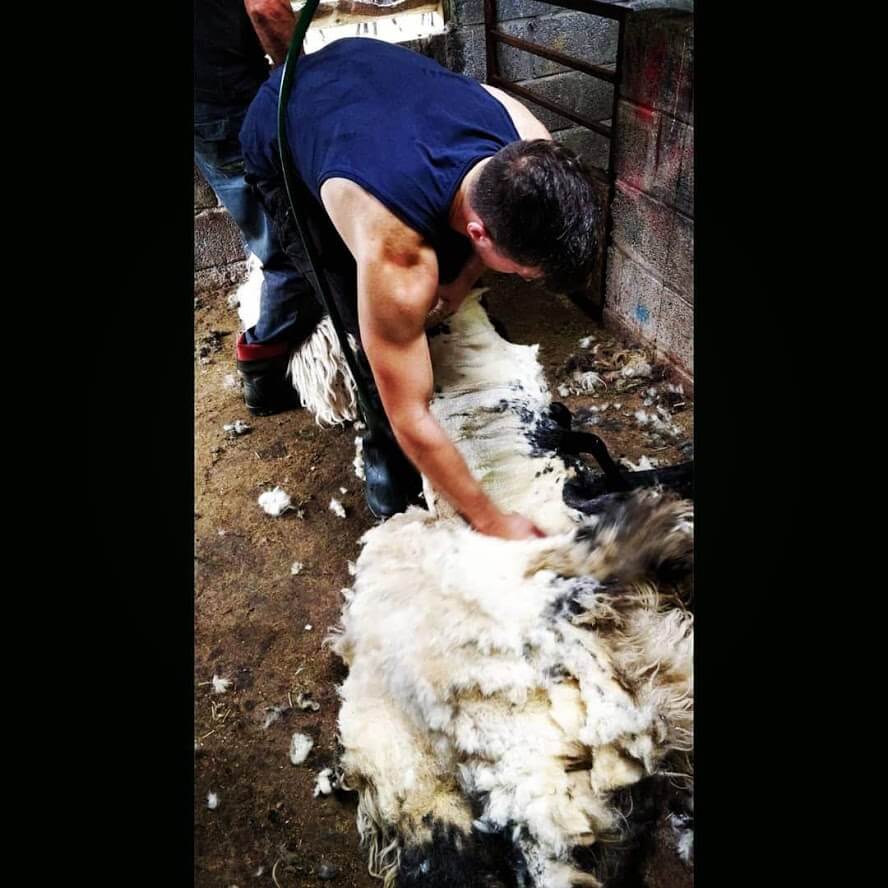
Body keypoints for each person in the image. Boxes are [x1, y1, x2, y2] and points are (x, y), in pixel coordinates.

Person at [240, 36, 601, 540]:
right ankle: (289, 390)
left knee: (432, 267)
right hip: (282, 117)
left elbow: (477, 231)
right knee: (335, 295)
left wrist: (458, 283)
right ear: (480, 231)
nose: (520, 279)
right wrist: (493, 521)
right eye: (521, 271)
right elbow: (411, 411)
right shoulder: (397, 253)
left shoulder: (529, 141)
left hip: (363, 66)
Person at [195, 0, 321, 416]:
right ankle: (264, 368)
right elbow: (266, 8)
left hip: (205, 107)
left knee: (264, 226)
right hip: (233, 100)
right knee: (292, 242)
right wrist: (301, 83)